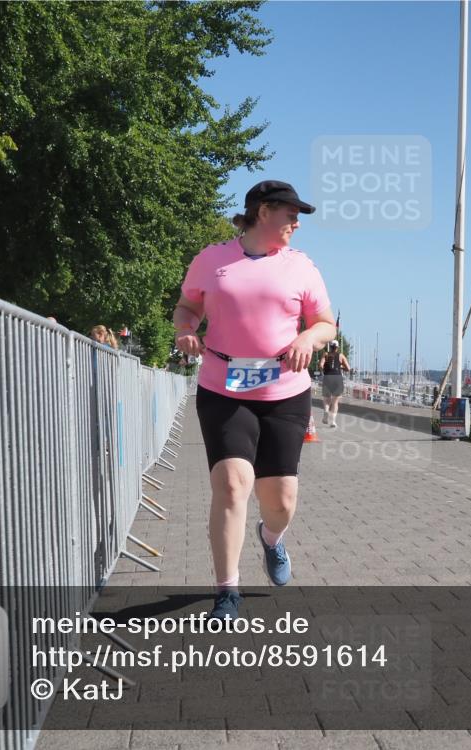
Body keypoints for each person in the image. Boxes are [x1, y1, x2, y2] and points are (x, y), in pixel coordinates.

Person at [174, 180, 336, 620]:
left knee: (280, 500)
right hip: (223, 388)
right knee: (230, 486)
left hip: (284, 391)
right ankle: (227, 591)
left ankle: (271, 538)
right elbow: (187, 307)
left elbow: (326, 323)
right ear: (263, 212)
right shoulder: (212, 260)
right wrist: (186, 330)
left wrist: (308, 335)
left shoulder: (301, 267)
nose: (296, 224)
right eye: (290, 214)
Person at [320, 340, 350, 427]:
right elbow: (348, 368)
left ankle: (326, 413)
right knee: (335, 402)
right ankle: (333, 421)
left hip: (328, 377)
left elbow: (321, 365)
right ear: (337, 347)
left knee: (326, 399)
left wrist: (324, 370)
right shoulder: (341, 356)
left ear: (330, 346)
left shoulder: (325, 354)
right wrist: (340, 366)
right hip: (337, 378)